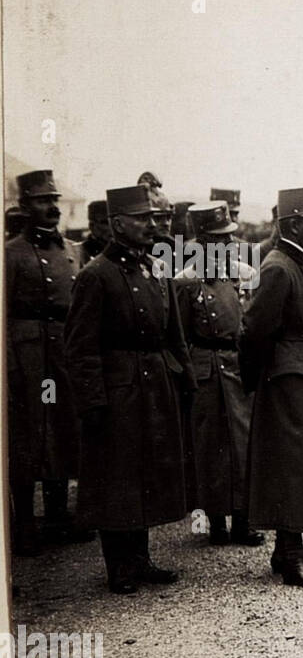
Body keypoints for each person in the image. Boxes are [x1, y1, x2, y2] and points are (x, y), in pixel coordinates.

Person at [64, 183, 195, 594]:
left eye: (152, 217)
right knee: (116, 473)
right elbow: (80, 347)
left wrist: (184, 379)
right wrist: (93, 400)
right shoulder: (95, 275)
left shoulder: (157, 268)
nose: (149, 225)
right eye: (140, 218)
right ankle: (117, 566)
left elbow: (175, 334)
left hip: (155, 382)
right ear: (117, 224)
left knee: (147, 470)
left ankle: (141, 559)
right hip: (117, 385)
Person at [239, 186, 303, 588]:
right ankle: (291, 551)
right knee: (290, 462)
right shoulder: (279, 266)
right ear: (294, 224)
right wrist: (259, 381)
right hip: (287, 377)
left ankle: (288, 548)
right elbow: (254, 331)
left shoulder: (301, 263)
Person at [6, 169, 88, 555]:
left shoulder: (73, 251)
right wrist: (10, 367)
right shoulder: (10, 254)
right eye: (42, 200)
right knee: (30, 436)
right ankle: (24, 525)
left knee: (61, 429)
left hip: (62, 355)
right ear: (24, 206)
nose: (52, 207)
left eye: (54, 200)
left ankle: (58, 518)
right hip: (29, 359)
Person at [174, 200, 263, 548]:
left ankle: (243, 520)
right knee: (209, 446)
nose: (228, 244)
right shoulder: (185, 281)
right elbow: (178, 334)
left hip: (235, 363)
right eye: (219, 239)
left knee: (242, 444)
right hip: (204, 367)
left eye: (229, 237)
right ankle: (215, 522)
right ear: (202, 242)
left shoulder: (242, 273)